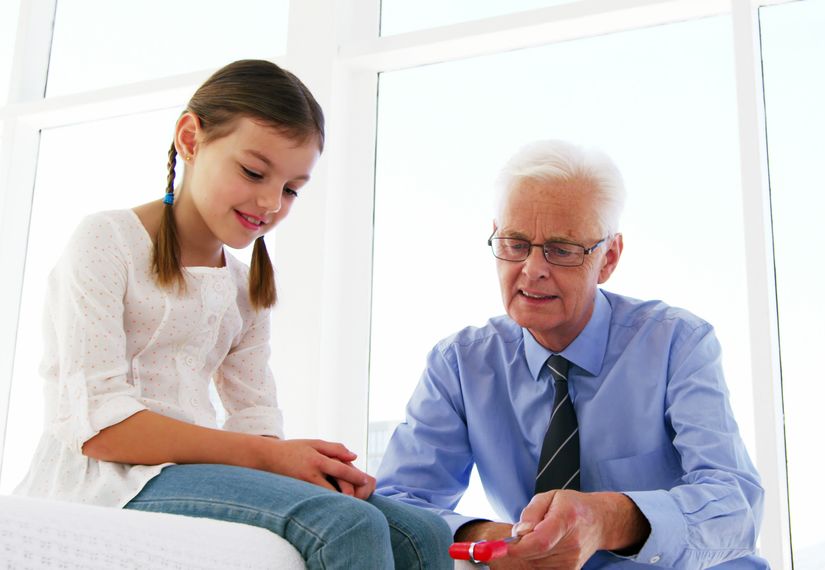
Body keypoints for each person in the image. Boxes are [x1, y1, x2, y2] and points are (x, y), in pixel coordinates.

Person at [15, 59, 451, 570]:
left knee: (425, 533)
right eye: (253, 172)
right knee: (346, 524)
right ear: (190, 138)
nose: (270, 202)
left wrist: (299, 466)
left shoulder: (245, 286)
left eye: (291, 188)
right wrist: (269, 458)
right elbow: (99, 427)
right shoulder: (106, 240)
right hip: (106, 475)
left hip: (192, 469)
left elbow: (256, 417)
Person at [375, 140, 768, 569]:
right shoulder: (459, 365)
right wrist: (492, 539)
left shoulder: (677, 343)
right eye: (515, 243)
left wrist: (608, 519)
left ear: (608, 258)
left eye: (561, 250)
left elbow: (736, 505)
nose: (532, 269)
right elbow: (396, 509)